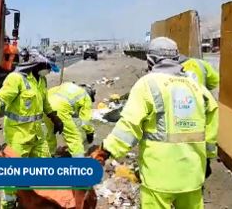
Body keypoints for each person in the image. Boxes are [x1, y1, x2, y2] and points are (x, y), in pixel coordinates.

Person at [91, 37, 219, 209]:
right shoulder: (196, 87)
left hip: (159, 176)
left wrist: (105, 151)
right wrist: (208, 158)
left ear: (150, 59)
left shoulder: (147, 84)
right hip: (192, 174)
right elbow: (211, 124)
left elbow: (129, 127)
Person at [0, 54, 64, 209]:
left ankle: (37, 197)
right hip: (18, 136)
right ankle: (9, 204)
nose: (49, 72)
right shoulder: (16, 79)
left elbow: (45, 103)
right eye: (48, 68)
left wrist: (55, 118)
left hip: (37, 134)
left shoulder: (41, 81)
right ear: (38, 64)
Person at [44, 82, 96, 157]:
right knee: (73, 137)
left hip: (46, 107)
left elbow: (49, 92)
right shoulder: (86, 97)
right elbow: (86, 120)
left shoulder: (67, 85)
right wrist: (90, 132)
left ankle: (49, 155)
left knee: (50, 133)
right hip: (60, 110)